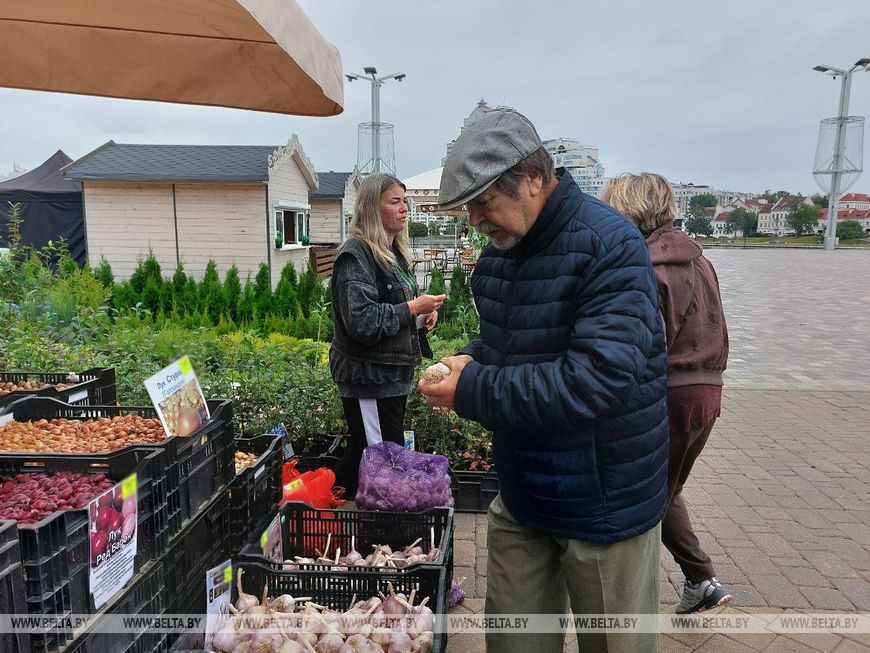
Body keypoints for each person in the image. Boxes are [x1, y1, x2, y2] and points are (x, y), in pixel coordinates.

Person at [419, 108, 669, 653]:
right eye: (468, 208)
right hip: (524, 494)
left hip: (604, 503)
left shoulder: (610, 247)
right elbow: (508, 346)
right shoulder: (499, 258)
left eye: (484, 202)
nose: (475, 220)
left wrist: (472, 388)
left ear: (533, 178)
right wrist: (468, 359)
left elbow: (596, 382)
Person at [602, 173, 731, 614]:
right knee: (665, 489)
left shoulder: (647, 265)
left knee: (643, 494)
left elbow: (643, 346)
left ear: (626, 211)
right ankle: (701, 580)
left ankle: (624, 603)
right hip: (708, 393)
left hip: (669, 395)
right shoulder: (699, 260)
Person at [329, 173, 445, 496]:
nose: (405, 208)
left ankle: (317, 502)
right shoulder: (356, 257)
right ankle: (321, 505)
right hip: (369, 378)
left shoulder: (391, 253)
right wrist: (412, 308)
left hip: (388, 376)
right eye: (395, 202)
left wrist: (420, 317)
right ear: (372, 208)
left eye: (404, 201)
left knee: (370, 453)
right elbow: (362, 322)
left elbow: (391, 311)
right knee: (379, 459)